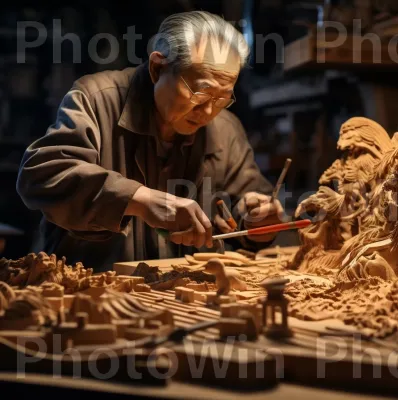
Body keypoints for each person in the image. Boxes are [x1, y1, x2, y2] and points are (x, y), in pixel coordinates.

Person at [16, 11, 284, 271]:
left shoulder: (225, 129)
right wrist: (138, 198)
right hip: (92, 292)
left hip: (183, 298)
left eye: (223, 98)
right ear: (158, 67)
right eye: (200, 94)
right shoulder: (96, 99)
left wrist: (258, 220)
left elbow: (246, 216)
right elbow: (40, 177)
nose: (208, 112)